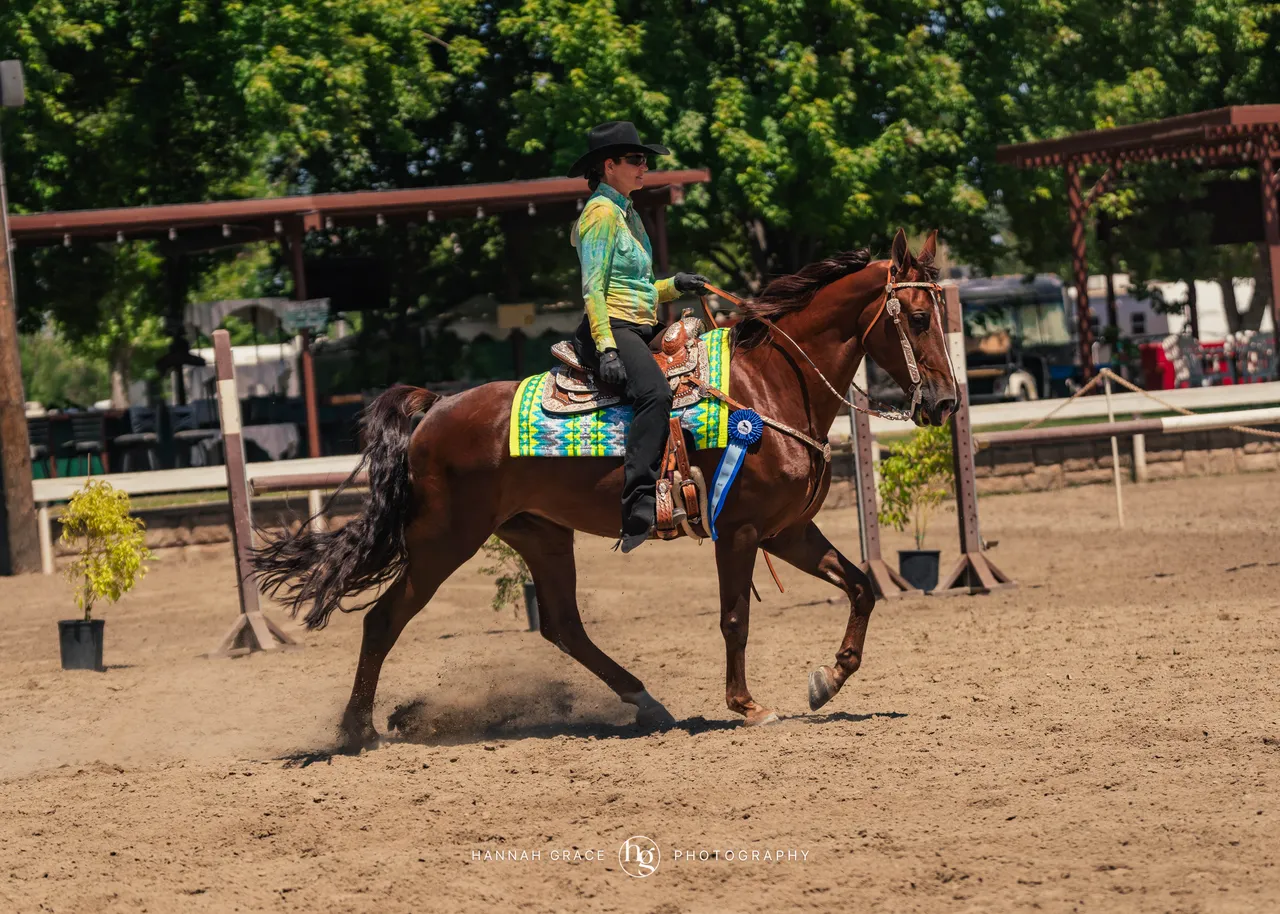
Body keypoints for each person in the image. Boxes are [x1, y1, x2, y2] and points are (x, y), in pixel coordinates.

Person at [567, 121, 710, 553]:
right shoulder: (601, 214)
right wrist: (607, 347)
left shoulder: (628, 213)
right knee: (654, 395)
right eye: (636, 159)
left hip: (639, 325)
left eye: (644, 158)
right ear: (609, 166)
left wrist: (675, 285)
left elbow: (639, 289)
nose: (644, 164)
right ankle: (638, 507)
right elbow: (593, 288)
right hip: (611, 328)